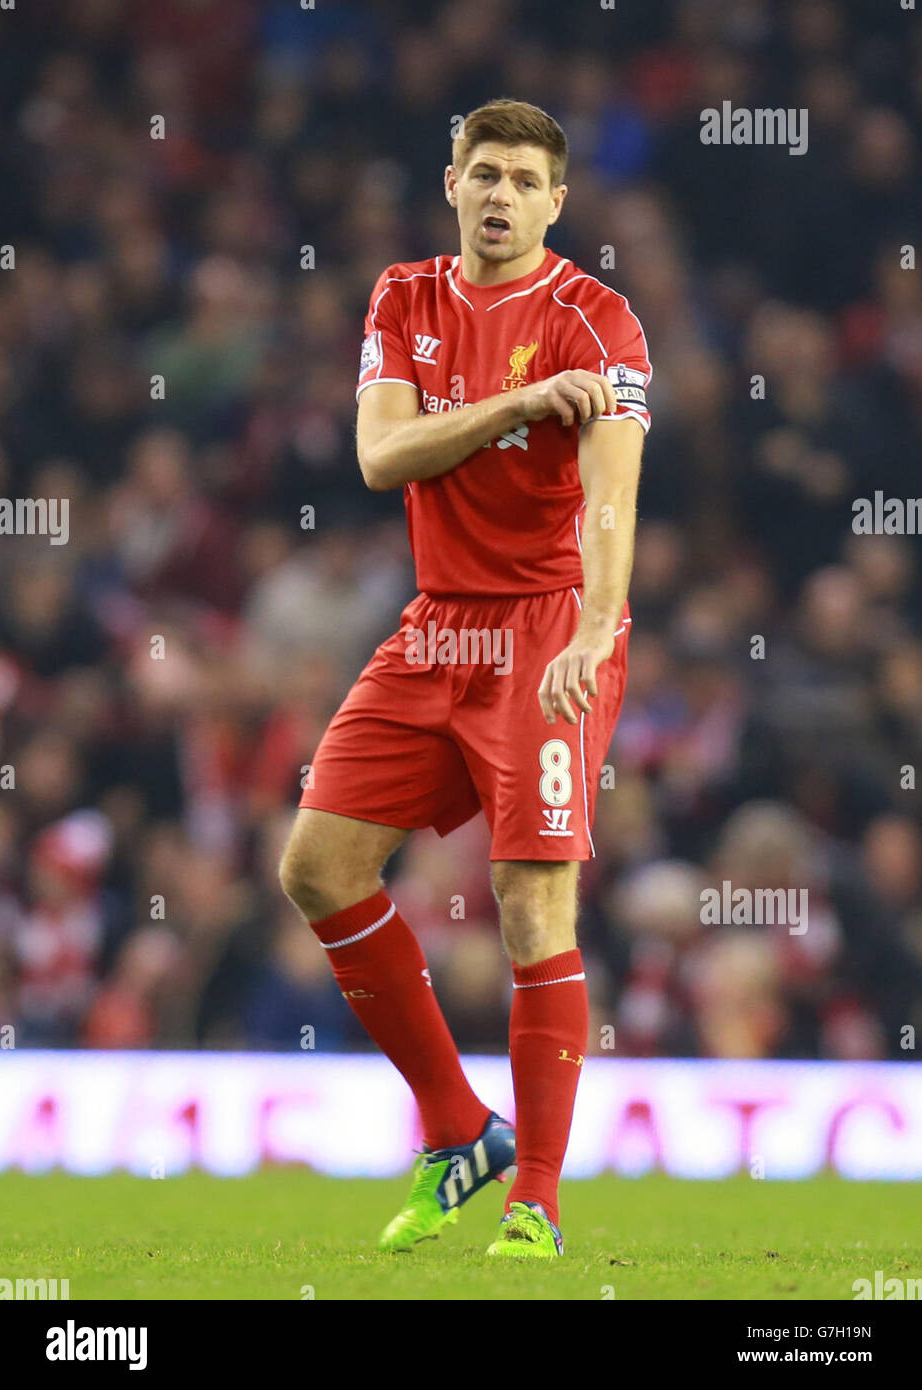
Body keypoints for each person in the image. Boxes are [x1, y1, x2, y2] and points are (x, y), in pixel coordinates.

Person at [279, 99, 651, 1258]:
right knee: (317, 866)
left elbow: (607, 494)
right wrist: (517, 404)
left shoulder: (598, 320)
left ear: (554, 202)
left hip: (545, 629)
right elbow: (380, 453)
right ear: (450, 183)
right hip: (436, 627)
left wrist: (595, 631)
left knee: (531, 903)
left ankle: (534, 1198)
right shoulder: (404, 296)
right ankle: (457, 1126)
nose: (498, 194)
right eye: (480, 172)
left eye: (522, 180)